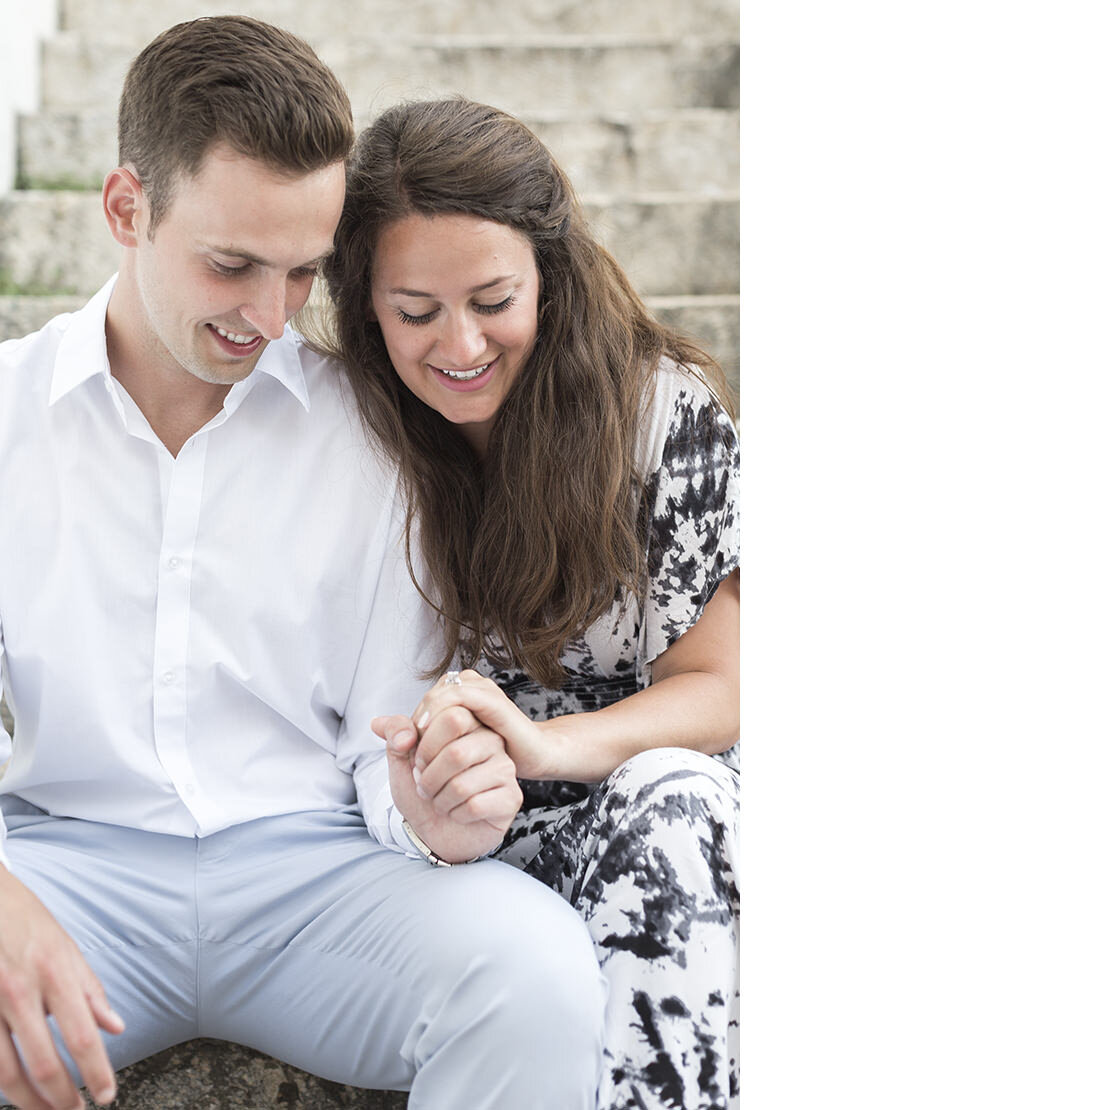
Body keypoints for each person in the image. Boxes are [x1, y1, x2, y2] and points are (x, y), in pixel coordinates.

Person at [0, 20, 606, 1110]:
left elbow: (386, 736)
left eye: (304, 274)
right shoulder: (8, 417)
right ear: (126, 209)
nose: (270, 318)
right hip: (64, 870)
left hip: (317, 881)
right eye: (232, 265)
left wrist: (429, 807)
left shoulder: (373, 429)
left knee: (534, 975)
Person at [320, 98, 741, 1110]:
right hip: (443, 840)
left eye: (493, 299)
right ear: (366, 305)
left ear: (548, 273)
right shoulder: (345, 435)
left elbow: (722, 687)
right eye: (415, 311)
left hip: (640, 809)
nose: (459, 344)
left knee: (673, 805)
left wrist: (551, 747)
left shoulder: (658, 415)